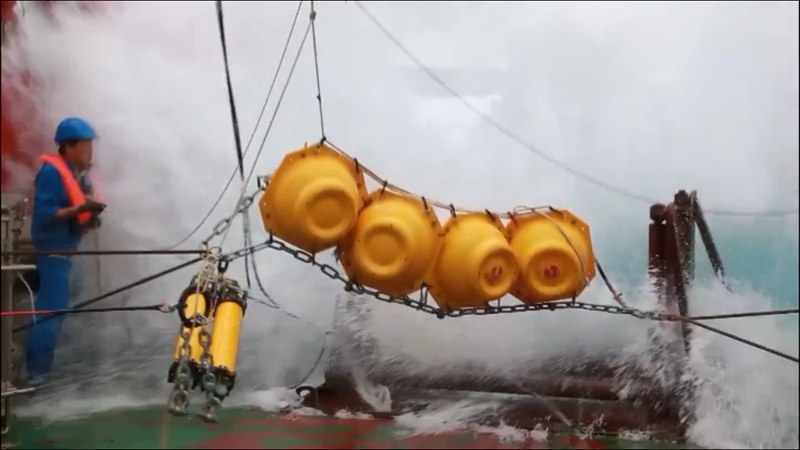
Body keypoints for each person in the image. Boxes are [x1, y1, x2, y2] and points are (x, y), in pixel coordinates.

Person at [27, 117, 106, 387]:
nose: (91, 151)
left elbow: (78, 210)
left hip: (68, 250)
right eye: (86, 145)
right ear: (69, 146)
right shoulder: (51, 174)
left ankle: (61, 366)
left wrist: (90, 216)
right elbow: (46, 213)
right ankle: (37, 375)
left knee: (68, 308)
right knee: (51, 311)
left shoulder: (75, 175)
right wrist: (80, 210)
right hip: (53, 251)